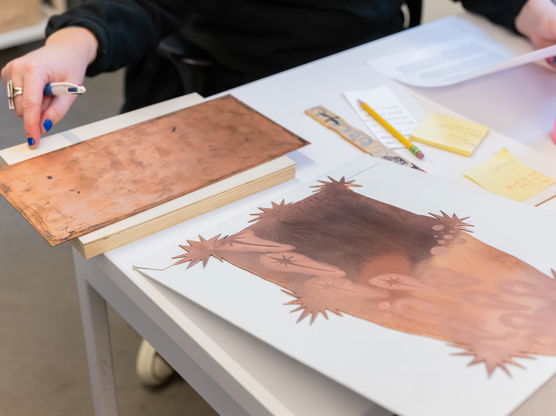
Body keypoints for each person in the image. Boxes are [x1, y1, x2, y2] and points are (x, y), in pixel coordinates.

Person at [1, 0, 555, 149]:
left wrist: (530, 12)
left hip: (366, 76)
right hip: (228, 89)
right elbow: (140, 4)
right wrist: (73, 44)